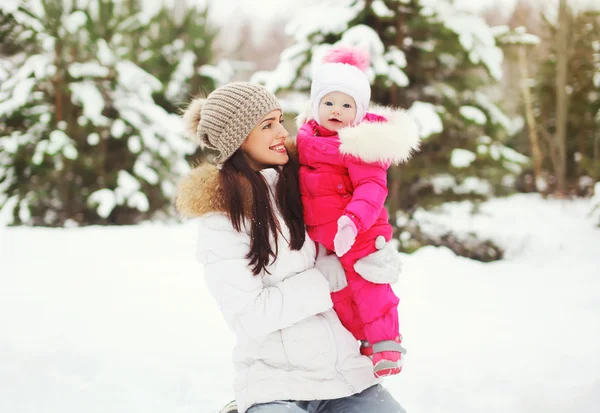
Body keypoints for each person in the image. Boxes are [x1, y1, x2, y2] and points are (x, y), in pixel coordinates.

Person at [176, 82, 406, 413]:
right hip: (273, 384)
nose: (283, 132)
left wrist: (373, 260)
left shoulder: (304, 186)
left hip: (344, 378)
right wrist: (324, 280)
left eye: (280, 120)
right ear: (237, 139)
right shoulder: (222, 221)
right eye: (267, 125)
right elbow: (250, 317)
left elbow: (347, 245)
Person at [292, 46, 420, 378]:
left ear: (359, 111)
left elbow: (372, 188)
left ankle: (387, 344)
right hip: (326, 237)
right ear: (315, 106)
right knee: (340, 293)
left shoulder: (360, 144)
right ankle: (361, 341)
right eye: (328, 102)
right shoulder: (305, 141)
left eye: (346, 104)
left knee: (369, 285)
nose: (336, 110)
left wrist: (353, 221)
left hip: (360, 231)